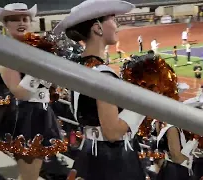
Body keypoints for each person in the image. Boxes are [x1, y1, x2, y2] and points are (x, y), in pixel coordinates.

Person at [53, 0, 146, 179]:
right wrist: (146, 101)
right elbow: (112, 131)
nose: (117, 25)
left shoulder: (79, 66)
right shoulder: (102, 74)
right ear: (97, 28)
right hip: (112, 160)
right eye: (112, 19)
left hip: (90, 153)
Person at [0, 3, 64, 180]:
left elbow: (49, 86)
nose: (21, 22)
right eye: (15, 19)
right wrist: (40, 69)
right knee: (29, 175)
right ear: (6, 24)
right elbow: (20, 93)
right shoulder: (6, 54)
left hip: (42, 112)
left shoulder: (36, 51)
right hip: (24, 116)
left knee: (31, 174)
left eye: (25, 18)